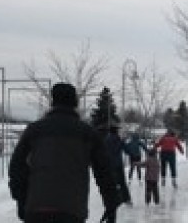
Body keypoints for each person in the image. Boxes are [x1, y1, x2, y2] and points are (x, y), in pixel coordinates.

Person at [9, 83, 119, 223]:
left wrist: (21, 199)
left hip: (37, 209)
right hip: (72, 210)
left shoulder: (34, 130)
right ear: (75, 102)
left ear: (53, 101)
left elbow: (17, 167)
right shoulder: (87, 133)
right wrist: (111, 204)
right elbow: (104, 171)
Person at [103, 122, 133, 210]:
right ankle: (126, 199)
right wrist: (133, 155)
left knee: (112, 182)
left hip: (109, 164)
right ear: (115, 131)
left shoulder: (106, 139)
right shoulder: (118, 139)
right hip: (118, 164)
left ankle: (112, 200)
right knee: (122, 182)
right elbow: (125, 149)